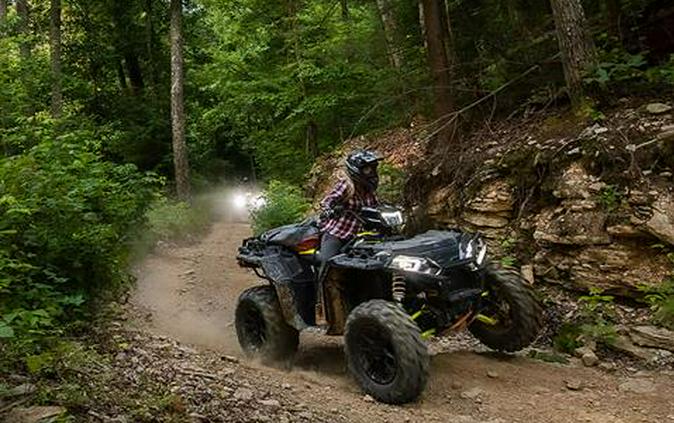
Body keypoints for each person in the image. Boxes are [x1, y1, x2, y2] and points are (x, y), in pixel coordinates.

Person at [318, 149, 381, 272]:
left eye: (373, 169)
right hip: (338, 233)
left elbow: (376, 208)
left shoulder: (369, 191)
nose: (372, 172)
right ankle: (320, 289)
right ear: (357, 170)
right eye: (367, 169)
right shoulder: (347, 185)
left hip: (361, 236)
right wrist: (329, 209)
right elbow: (328, 200)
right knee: (327, 262)